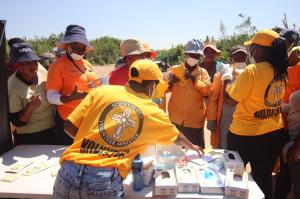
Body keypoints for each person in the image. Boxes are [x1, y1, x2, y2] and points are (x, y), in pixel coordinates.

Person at [53, 59, 203, 199]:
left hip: (67, 171)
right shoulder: (151, 110)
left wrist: (92, 146)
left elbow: (69, 126)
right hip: (103, 181)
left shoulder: (102, 91)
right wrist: (192, 146)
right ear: (151, 84)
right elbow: (176, 136)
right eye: (156, 85)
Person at [225, 29, 289, 199]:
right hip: (273, 133)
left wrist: (230, 82)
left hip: (244, 135)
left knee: (233, 177)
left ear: (259, 49)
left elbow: (229, 101)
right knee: (263, 178)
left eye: (252, 47)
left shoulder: (251, 71)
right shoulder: (282, 71)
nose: (250, 52)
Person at [46, 25, 100, 145]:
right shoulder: (57, 65)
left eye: (82, 47)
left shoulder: (87, 64)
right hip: (69, 121)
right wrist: (71, 98)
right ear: (67, 45)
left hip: (88, 118)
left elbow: (93, 84)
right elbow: (50, 96)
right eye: (76, 46)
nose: (80, 50)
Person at [8, 43, 56, 145]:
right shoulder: (12, 87)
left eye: (34, 61)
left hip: (53, 127)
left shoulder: (40, 68)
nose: (33, 66)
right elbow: (17, 122)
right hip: (30, 136)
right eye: (25, 63)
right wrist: (29, 108)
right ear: (16, 65)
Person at [166, 39, 211, 148]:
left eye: (197, 56)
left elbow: (207, 90)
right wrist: (171, 82)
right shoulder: (174, 70)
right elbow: (163, 89)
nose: (194, 58)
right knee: (176, 153)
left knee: (196, 152)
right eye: (192, 54)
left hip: (194, 121)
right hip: (175, 119)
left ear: (200, 57)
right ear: (186, 54)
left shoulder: (202, 72)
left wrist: (194, 80)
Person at [207, 45, 248, 149]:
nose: (240, 60)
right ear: (231, 59)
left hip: (244, 119)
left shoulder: (250, 74)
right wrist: (211, 119)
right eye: (237, 58)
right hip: (225, 118)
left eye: (242, 58)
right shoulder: (222, 74)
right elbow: (213, 98)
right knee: (224, 147)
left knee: (240, 149)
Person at [274, 46, 300, 199]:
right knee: (285, 173)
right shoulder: (280, 70)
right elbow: (286, 107)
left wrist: (296, 146)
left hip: (295, 140)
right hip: (283, 129)